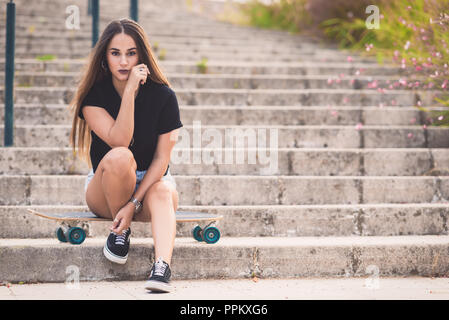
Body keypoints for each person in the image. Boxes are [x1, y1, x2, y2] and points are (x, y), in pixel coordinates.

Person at [68, 18, 183, 293]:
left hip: (149, 186)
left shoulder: (164, 97)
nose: (124, 62)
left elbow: (161, 160)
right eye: (115, 53)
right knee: (121, 156)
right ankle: (121, 232)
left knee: (164, 192)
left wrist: (133, 204)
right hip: (106, 186)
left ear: (141, 56)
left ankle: (162, 267)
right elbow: (120, 141)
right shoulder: (93, 97)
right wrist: (130, 91)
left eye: (131, 53)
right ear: (104, 58)